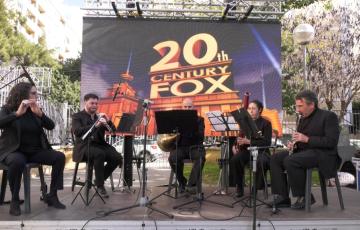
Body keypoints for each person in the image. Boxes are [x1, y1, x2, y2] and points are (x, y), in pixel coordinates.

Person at [0, 82, 66, 216]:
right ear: (23, 94)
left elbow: (51, 126)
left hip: (35, 151)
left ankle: (52, 195)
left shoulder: (34, 110)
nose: (37, 96)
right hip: (14, 151)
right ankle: (14, 200)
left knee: (59, 157)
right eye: (33, 93)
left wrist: (40, 114)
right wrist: (17, 114)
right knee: (17, 161)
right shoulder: (7, 109)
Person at [270, 90, 340, 209]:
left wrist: (307, 139)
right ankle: (282, 197)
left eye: (300, 106)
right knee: (275, 158)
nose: (297, 109)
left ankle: (305, 196)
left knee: (290, 160)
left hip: (324, 154)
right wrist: (295, 144)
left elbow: (331, 142)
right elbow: (302, 141)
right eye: (297, 106)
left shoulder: (329, 116)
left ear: (311, 104)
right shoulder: (303, 118)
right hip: (306, 152)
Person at [72, 93, 122, 198]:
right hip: (84, 146)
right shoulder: (77, 116)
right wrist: (95, 125)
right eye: (92, 103)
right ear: (85, 102)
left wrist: (107, 120)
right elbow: (77, 131)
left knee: (117, 157)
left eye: (96, 103)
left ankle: (99, 179)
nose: (94, 105)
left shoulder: (99, 117)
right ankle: (100, 186)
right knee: (99, 154)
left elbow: (113, 131)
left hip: (99, 145)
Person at [230, 100, 272, 197]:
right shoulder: (244, 123)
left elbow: (266, 142)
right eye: (249, 108)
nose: (251, 111)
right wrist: (235, 145)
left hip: (262, 151)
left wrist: (249, 142)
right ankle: (239, 187)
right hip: (247, 151)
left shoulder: (266, 123)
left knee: (260, 162)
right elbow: (240, 137)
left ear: (260, 110)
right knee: (235, 160)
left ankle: (255, 188)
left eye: (253, 108)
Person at [168, 98, 205, 193]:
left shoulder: (199, 120)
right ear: (182, 107)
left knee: (201, 158)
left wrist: (190, 130)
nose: (187, 108)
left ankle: (191, 184)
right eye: (185, 106)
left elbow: (201, 137)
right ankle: (182, 181)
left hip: (194, 147)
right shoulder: (176, 120)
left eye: (189, 107)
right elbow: (170, 134)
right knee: (172, 158)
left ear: (193, 107)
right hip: (180, 147)